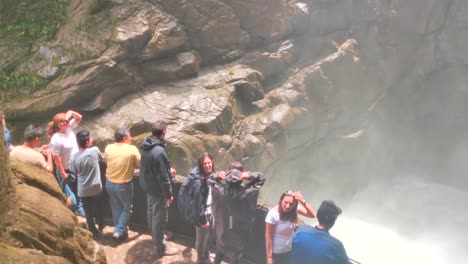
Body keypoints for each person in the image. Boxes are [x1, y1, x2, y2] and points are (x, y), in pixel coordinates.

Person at [210, 162, 266, 264]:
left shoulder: (219, 189)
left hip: (221, 235)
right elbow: (261, 178)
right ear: (241, 175)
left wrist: (218, 174)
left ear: (227, 173)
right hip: (238, 239)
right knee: (235, 260)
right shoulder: (247, 193)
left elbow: (211, 179)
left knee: (218, 256)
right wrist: (249, 175)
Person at [139, 120, 178, 257]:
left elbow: (154, 168)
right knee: (159, 219)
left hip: (148, 186)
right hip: (157, 190)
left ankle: (157, 236)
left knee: (152, 214)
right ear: (164, 132)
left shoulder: (146, 145)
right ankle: (161, 246)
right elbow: (163, 178)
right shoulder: (159, 151)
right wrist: (168, 194)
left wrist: (167, 169)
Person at [104, 128, 141, 241]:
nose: (131, 138)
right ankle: (119, 230)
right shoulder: (132, 149)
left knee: (116, 206)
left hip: (109, 182)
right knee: (127, 208)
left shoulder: (108, 148)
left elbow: (106, 161)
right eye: (130, 136)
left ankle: (121, 231)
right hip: (123, 185)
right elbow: (139, 164)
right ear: (125, 138)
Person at [48, 110, 85, 216]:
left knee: (80, 191)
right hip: (65, 169)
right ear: (58, 125)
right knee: (71, 198)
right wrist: (63, 173)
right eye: (62, 121)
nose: (66, 122)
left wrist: (70, 112)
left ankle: (81, 212)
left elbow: (79, 117)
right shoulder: (56, 138)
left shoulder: (69, 128)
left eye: (66, 120)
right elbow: (56, 157)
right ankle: (70, 213)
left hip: (76, 167)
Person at [265, 190, 316, 264]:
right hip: (275, 254)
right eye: (285, 202)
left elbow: (313, 215)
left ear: (295, 205)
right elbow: (268, 235)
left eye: (291, 204)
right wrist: (270, 257)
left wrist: (303, 201)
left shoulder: (295, 209)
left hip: (288, 251)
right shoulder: (273, 214)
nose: (287, 206)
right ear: (281, 200)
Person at [70, 130, 104, 239]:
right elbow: (101, 159)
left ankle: (93, 231)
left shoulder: (74, 157)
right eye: (90, 138)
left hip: (83, 189)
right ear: (87, 142)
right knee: (99, 207)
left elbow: (74, 173)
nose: (92, 139)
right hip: (96, 187)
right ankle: (101, 224)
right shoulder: (95, 150)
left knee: (88, 212)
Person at [183, 152, 215, 264]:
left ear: (212, 162)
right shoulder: (198, 181)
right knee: (200, 237)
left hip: (208, 210)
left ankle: (205, 253)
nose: (207, 165)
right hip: (201, 213)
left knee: (209, 233)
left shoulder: (208, 174)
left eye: (209, 162)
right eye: (205, 163)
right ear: (201, 165)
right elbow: (198, 203)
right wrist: (203, 220)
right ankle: (200, 258)